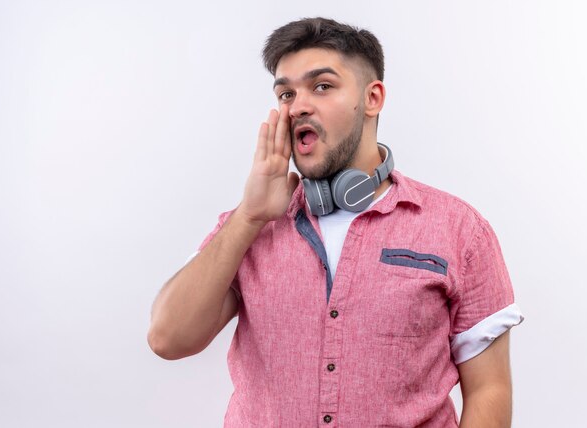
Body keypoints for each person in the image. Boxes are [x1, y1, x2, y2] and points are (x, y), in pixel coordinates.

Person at [147, 17, 523, 427]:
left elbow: (489, 388)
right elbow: (168, 338)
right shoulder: (248, 227)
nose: (298, 105)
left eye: (322, 86)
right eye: (286, 92)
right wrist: (249, 216)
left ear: (372, 98)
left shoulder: (459, 229)